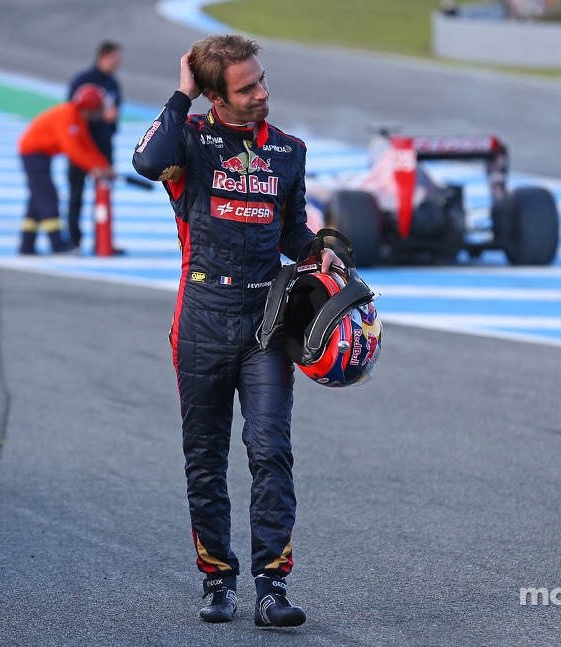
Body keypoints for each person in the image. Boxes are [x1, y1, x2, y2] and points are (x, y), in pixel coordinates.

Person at [131, 34, 339, 627]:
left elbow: (294, 233)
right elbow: (146, 162)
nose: (262, 94)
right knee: (205, 457)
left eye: (262, 80)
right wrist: (181, 93)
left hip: (265, 325)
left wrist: (319, 251)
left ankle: (271, 588)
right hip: (199, 320)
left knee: (270, 450)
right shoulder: (189, 144)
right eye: (246, 88)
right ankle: (217, 579)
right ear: (216, 97)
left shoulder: (289, 152)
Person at [17, 84, 113, 255]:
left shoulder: (77, 118)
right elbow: (72, 149)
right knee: (48, 198)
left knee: (37, 199)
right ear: (89, 108)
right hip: (33, 154)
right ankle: (57, 244)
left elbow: (87, 146)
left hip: (39, 155)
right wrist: (94, 168)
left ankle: (26, 245)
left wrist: (103, 165)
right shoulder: (68, 116)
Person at [66, 41, 123, 250]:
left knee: (104, 193)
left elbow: (115, 112)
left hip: (105, 145)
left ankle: (104, 241)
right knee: (76, 194)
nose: (119, 62)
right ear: (104, 56)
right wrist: (101, 118)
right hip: (82, 143)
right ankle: (74, 239)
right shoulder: (83, 80)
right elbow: (73, 113)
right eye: (116, 58)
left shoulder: (113, 83)